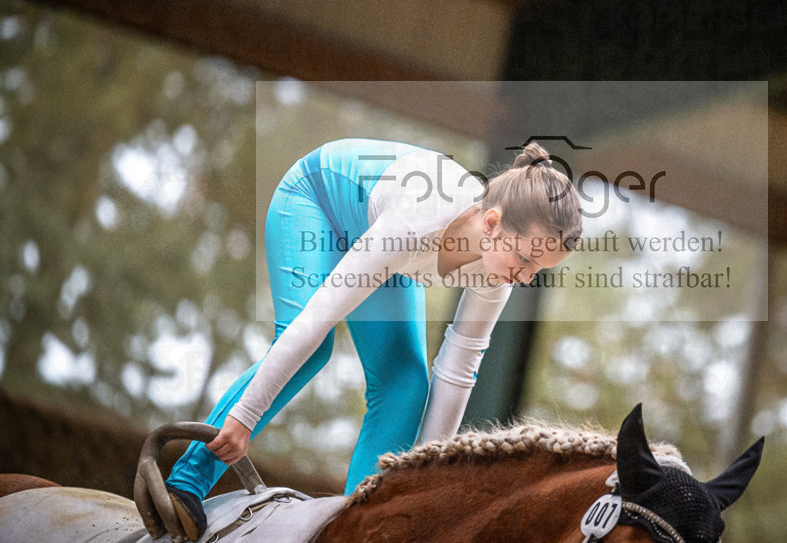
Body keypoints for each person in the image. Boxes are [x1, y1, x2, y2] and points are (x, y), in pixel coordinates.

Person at [163, 138, 582, 540]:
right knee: (315, 349)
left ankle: (355, 526)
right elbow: (315, 319)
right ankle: (187, 480)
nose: (525, 276)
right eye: (525, 258)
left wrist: (425, 478)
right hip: (316, 203)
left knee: (406, 384)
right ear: (491, 223)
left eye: (537, 270)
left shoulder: (499, 275)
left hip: (380, 243)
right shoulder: (421, 215)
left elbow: (457, 371)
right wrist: (245, 419)